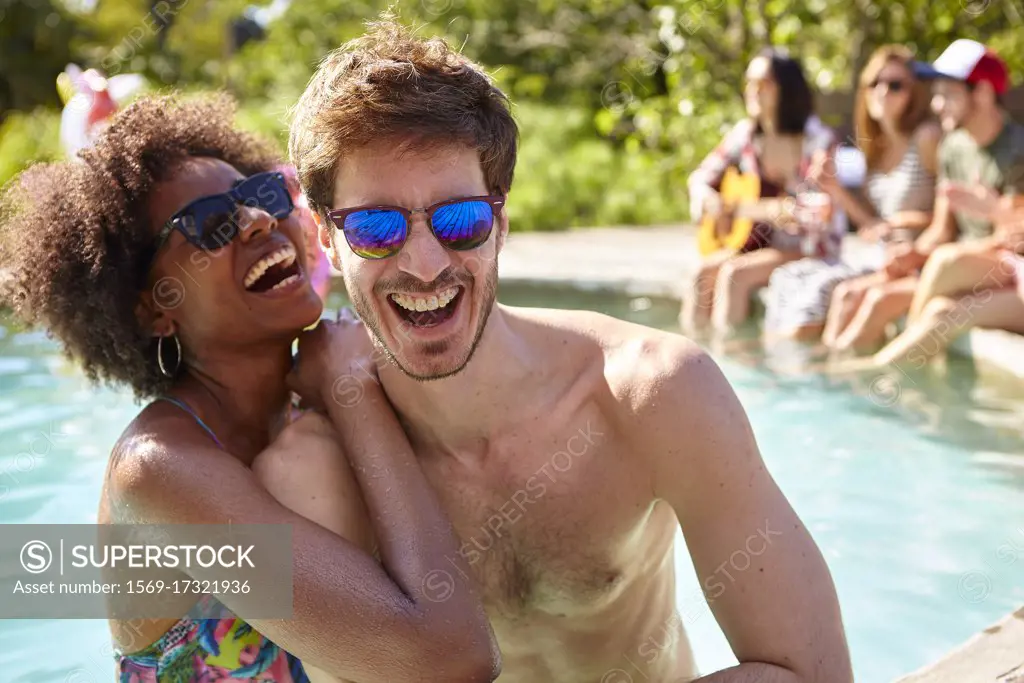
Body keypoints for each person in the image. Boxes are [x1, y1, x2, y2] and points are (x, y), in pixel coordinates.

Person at [290, 21, 851, 683]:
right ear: (324, 236)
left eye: (459, 219)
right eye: (377, 227)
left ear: (499, 222)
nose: (423, 262)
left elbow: (812, 672)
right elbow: (169, 590)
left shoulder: (652, 394)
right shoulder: (306, 470)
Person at [0, 94, 499, 683]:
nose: (258, 220)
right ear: (150, 309)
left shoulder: (301, 410)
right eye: (211, 225)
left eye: (260, 195)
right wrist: (350, 390)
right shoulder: (161, 470)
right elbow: (453, 658)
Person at [828, 40, 1024, 358]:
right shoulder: (953, 146)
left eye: (948, 93)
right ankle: (852, 377)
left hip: (1004, 268)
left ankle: (877, 379)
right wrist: (913, 255)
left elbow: (1013, 239)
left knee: (945, 261)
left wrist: (993, 212)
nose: (936, 104)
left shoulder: (1017, 151)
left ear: (984, 93)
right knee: (918, 302)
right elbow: (942, 229)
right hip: (967, 266)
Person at [764, 45, 940, 341]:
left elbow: (951, 216)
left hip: (913, 258)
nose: (883, 91)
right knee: (788, 276)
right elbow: (872, 224)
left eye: (895, 85)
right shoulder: (874, 147)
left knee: (827, 289)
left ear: (914, 93)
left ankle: (799, 369)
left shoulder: (926, 138)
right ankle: (780, 360)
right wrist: (834, 189)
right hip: (880, 251)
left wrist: (903, 223)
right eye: (874, 84)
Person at [681, 47, 837, 334]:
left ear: (787, 90)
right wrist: (712, 202)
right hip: (757, 246)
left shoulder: (818, 141)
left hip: (808, 248)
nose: (753, 91)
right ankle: (692, 360)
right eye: (749, 83)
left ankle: (732, 367)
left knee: (734, 275)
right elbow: (699, 179)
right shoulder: (745, 135)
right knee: (702, 273)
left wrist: (743, 209)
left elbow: (817, 213)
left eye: (763, 83)